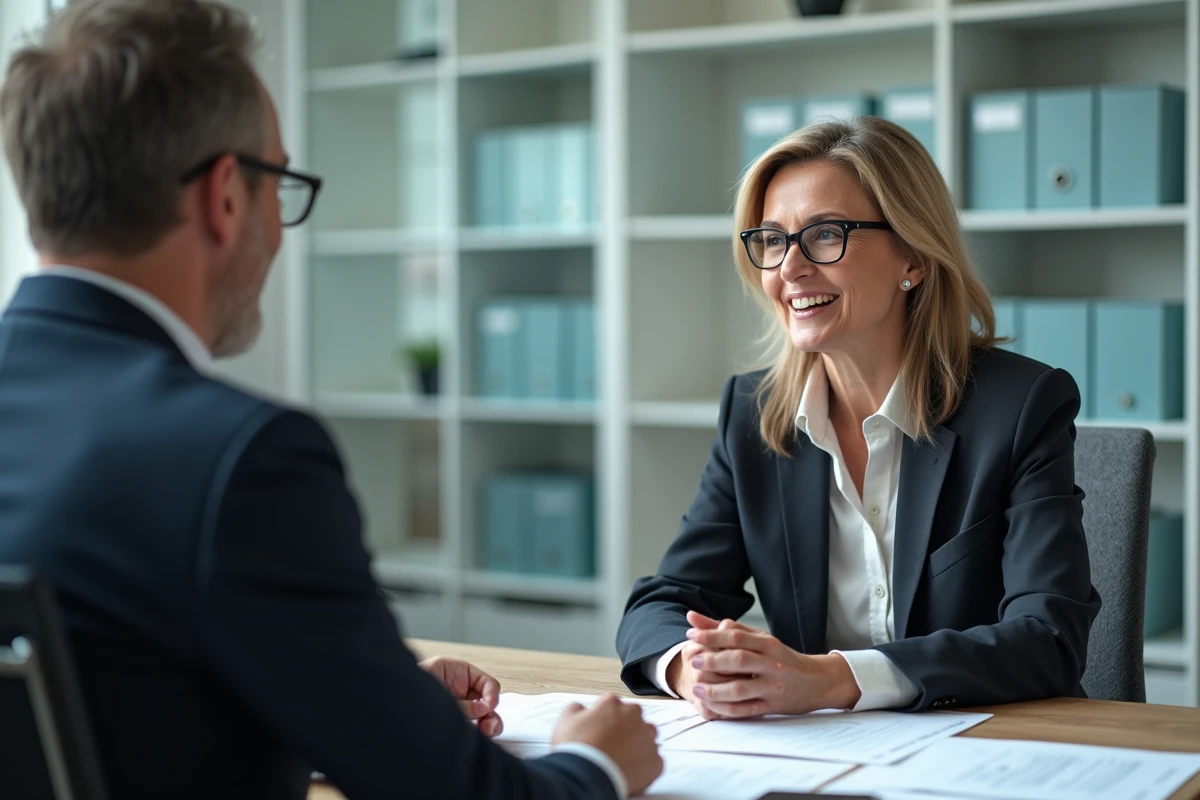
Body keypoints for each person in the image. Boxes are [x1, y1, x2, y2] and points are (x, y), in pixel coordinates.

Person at [0, 1, 661, 798]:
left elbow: (121, 697)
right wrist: (596, 763)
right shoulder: (236, 460)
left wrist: (367, 704)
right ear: (226, 197)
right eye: (279, 183)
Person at [616, 117, 1101, 719]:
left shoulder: (1022, 406)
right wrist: (698, 670)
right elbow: (661, 603)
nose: (789, 268)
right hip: (825, 752)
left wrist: (829, 679)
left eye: (825, 235)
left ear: (913, 256)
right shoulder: (753, 414)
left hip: (987, 741)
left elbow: (1048, 638)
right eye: (772, 240)